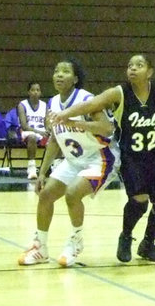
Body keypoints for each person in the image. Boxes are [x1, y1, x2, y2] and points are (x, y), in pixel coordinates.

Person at [51, 53, 155, 264]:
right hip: (132, 156)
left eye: (139, 65)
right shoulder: (119, 93)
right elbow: (92, 104)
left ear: (149, 71)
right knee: (139, 202)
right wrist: (66, 114)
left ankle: (148, 244)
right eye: (130, 65)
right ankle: (126, 236)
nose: (132, 69)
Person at [17, 57, 119, 268]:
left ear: (75, 79)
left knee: (72, 194)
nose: (59, 75)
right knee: (45, 195)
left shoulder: (86, 99)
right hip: (73, 160)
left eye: (65, 71)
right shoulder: (52, 103)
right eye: (56, 71)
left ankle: (76, 240)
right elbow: (55, 139)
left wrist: (77, 123)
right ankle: (41, 247)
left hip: (99, 158)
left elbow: (107, 128)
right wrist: (42, 172)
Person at [16, 80, 49, 180]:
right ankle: (32, 168)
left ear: (40, 92)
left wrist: (49, 130)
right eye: (33, 90)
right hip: (26, 132)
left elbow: (47, 123)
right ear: (28, 92)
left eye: (38, 90)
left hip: (41, 132)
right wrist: (40, 132)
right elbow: (24, 126)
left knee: (57, 136)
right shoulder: (22, 105)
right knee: (32, 137)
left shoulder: (44, 105)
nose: (35, 92)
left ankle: (53, 166)